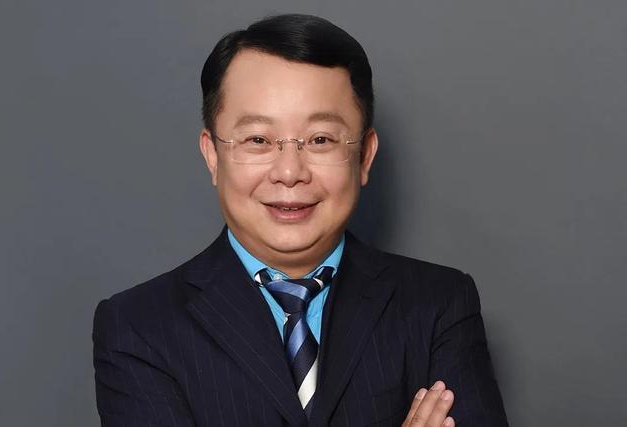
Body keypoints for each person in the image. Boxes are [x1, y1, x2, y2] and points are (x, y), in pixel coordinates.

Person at [92, 13, 508, 427]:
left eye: (320, 140)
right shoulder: (138, 328)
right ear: (212, 155)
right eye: (258, 139)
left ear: (364, 156)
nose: (290, 172)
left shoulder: (438, 305)